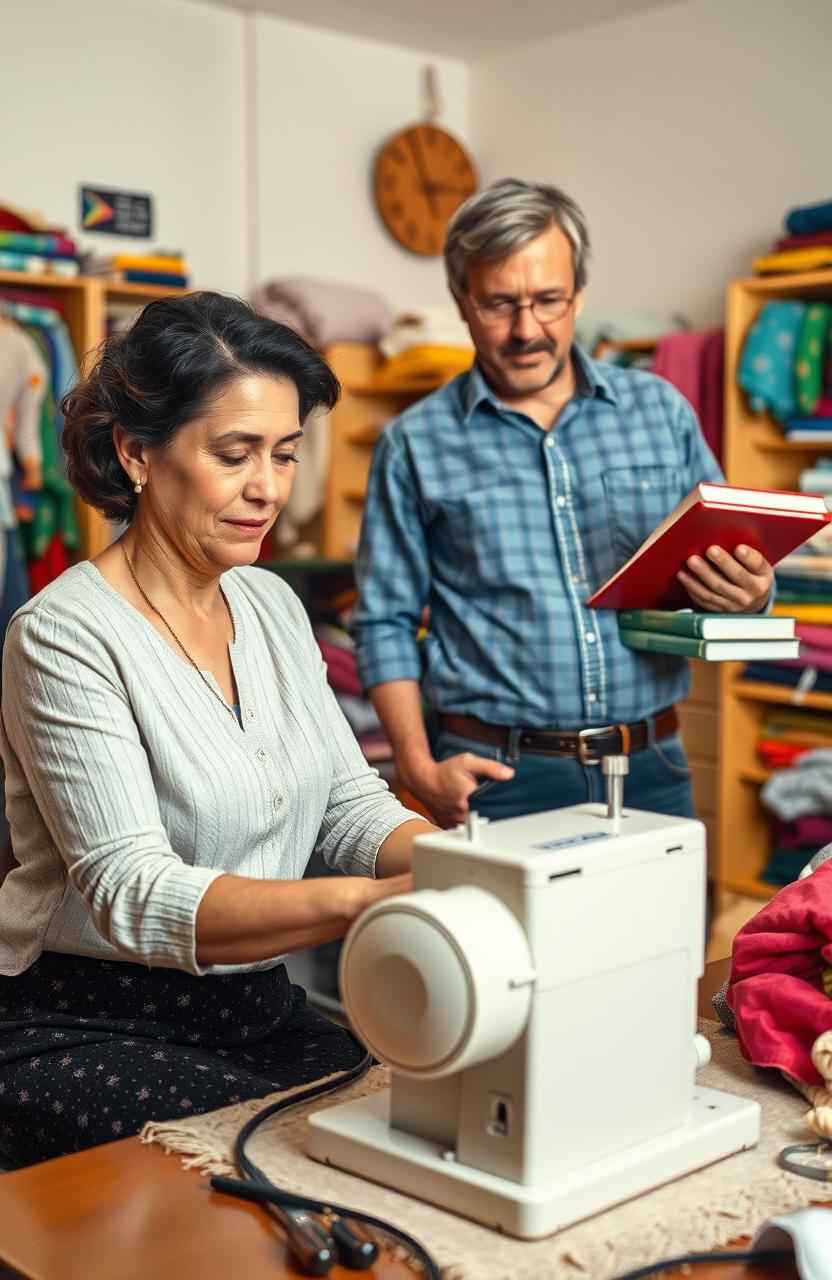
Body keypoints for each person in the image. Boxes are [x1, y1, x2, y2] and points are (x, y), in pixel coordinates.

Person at [0, 292, 433, 1165]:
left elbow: (349, 809)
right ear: (136, 454)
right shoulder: (63, 635)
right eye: (234, 454)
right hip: (87, 1021)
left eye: (285, 453)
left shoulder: (271, 604)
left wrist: (472, 867)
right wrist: (368, 905)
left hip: (256, 1009)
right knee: (277, 1169)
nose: (268, 488)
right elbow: (132, 891)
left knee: (408, 1137)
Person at [352, 179, 774, 829]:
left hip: (652, 766)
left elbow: (722, 564)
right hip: (495, 776)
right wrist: (415, 764)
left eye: (548, 300)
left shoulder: (661, 411)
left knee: (662, 937)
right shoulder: (413, 443)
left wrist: (748, 594)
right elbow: (384, 622)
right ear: (461, 300)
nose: (527, 330)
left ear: (579, 293)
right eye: (499, 304)